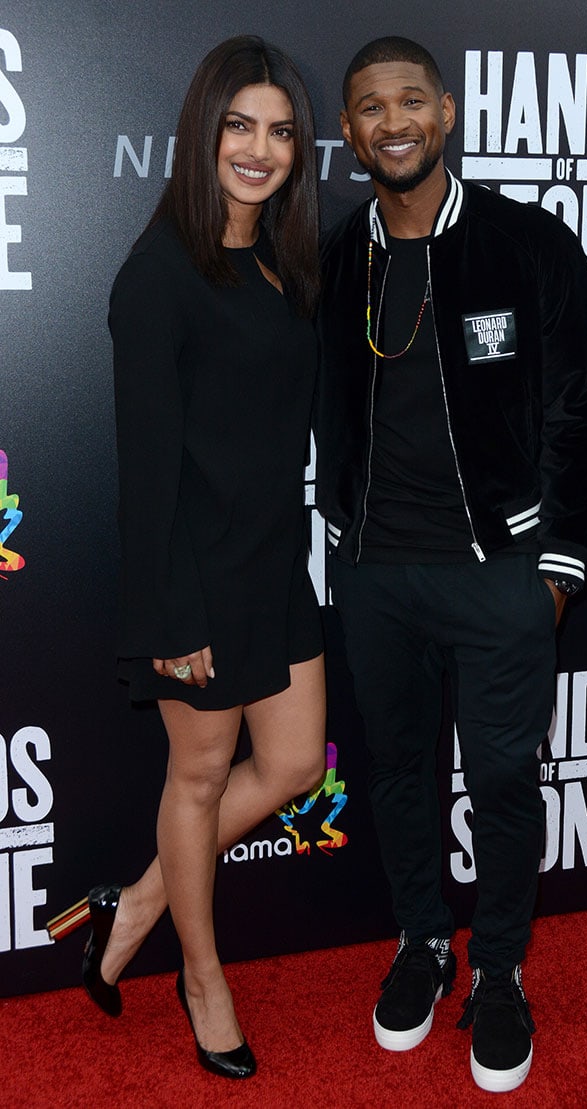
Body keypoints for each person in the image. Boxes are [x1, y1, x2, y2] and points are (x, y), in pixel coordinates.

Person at [314, 37, 587, 1094]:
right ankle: (421, 941)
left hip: (500, 572)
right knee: (394, 770)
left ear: (443, 112)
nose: (389, 121)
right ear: (348, 133)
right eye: (366, 107)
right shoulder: (338, 254)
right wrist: (340, 544)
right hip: (375, 574)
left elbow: (578, 409)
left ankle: (500, 972)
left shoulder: (528, 243)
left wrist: (555, 568)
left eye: (407, 100)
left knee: (496, 780)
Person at [50, 36, 326, 1080]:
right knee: (200, 778)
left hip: (273, 560)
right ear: (204, 135)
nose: (259, 149)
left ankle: (139, 899)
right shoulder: (159, 273)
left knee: (297, 761)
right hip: (194, 576)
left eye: (280, 130)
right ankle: (201, 977)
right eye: (238, 125)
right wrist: (172, 618)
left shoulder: (280, 257)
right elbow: (147, 470)